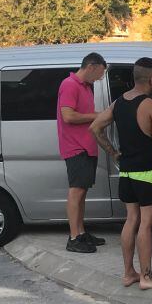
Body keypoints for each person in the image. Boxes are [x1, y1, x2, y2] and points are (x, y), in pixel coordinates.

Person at [90, 57, 152, 290]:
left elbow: (95, 127)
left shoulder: (119, 102)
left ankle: (128, 273)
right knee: (146, 224)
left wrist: (113, 153)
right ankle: (147, 277)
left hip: (127, 174)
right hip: (148, 174)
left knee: (131, 220)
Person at [57, 52, 108, 253]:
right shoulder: (69, 85)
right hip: (75, 146)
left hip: (87, 145)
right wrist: (97, 116)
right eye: (99, 74)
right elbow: (68, 116)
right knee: (76, 191)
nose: (99, 78)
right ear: (91, 66)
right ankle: (74, 237)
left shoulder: (86, 87)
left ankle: (81, 231)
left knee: (82, 191)